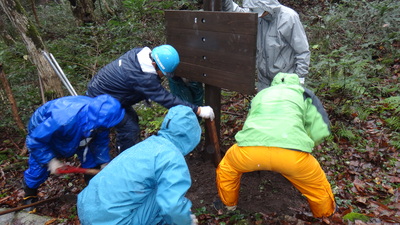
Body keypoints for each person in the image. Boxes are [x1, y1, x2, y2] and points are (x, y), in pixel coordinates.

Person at [215, 73, 336, 219]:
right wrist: (305, 142)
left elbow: (252, 118)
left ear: (274, 83)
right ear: (297, 83)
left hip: (249, 152)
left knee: (227, 168)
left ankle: (228, 205)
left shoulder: (262, 94)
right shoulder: (304, 94)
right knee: (318, 187)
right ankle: (325, 216)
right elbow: (321, 129)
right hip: (292, 158)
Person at [77, 105, 201, 225]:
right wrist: (187, 220)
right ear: (192, 135)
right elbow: (172, 205)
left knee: (162, 191)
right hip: (113, 220)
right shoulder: (172, 157)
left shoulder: (148, 145)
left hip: (87, 209)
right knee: (169, 197)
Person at [86, 44, 215, 153]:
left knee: (131, 122)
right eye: (162, 73)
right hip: (101, 101)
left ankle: (127, 150)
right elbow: (166, 99)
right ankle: (127, 162)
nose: (162, 76)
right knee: (129, 128)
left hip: (111, 96)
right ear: (154, 64)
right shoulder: (142, 77)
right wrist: (198, 110)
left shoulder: (139, 54)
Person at [22, 94, 125, 212]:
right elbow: (35, 140)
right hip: (45, 135)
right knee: (38, 169)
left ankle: (93, 192)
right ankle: (29, 195)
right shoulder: (62, 119)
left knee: (91, 161)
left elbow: (100, 140)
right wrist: (51, 161)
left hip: (79, 130)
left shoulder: (102, 119)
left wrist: (104, 162)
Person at [221, 0, 311, 91]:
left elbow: (302, 51)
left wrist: (299, 78)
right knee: (263, 104)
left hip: (285, 81)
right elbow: (238, 14)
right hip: (264, 80)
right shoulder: (257, 17)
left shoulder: (288, 17)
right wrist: (225, 1)